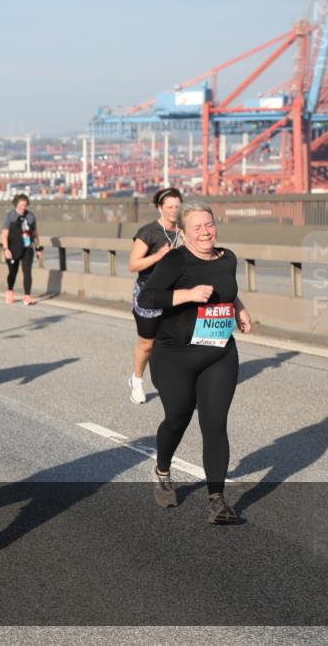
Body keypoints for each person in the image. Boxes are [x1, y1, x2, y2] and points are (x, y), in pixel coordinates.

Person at [137, 201, 252, 525]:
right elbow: (148, 297)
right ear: (184, 233)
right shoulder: (176, 260)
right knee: (177, 418)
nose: (205, 232)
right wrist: (186, 294)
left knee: (215, 424)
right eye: (197, 227)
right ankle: (162, 469)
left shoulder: (227, 258)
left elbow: (228, 291)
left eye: (209, 225)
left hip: (218, 351)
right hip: (175, 355)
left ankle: (217, 500)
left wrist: (239, 309)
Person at [127, 187, 183, 404]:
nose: (174, 211)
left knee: (176, 342)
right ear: (160, 208)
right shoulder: (148, 232)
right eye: (169, 207)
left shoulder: (184, 230)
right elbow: (133, 265)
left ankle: (176, 386)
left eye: (177, 206)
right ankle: (137, 379)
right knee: (148, 344)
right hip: (148, 293)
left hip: (175, 294)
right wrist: (158, 255)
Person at [1, 194, 39, 305]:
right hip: (13, 249)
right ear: (16, 204)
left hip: (27, 248)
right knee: (13, 272)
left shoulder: (31, 216)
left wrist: (38, 248)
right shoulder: (10, 216)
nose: (23, 207)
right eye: (21, 205)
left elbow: (35, 234)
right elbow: (4, 235)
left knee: (27, 272)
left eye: (25, 205)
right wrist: (6, 249)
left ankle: (27, 296)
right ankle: (10, 290)